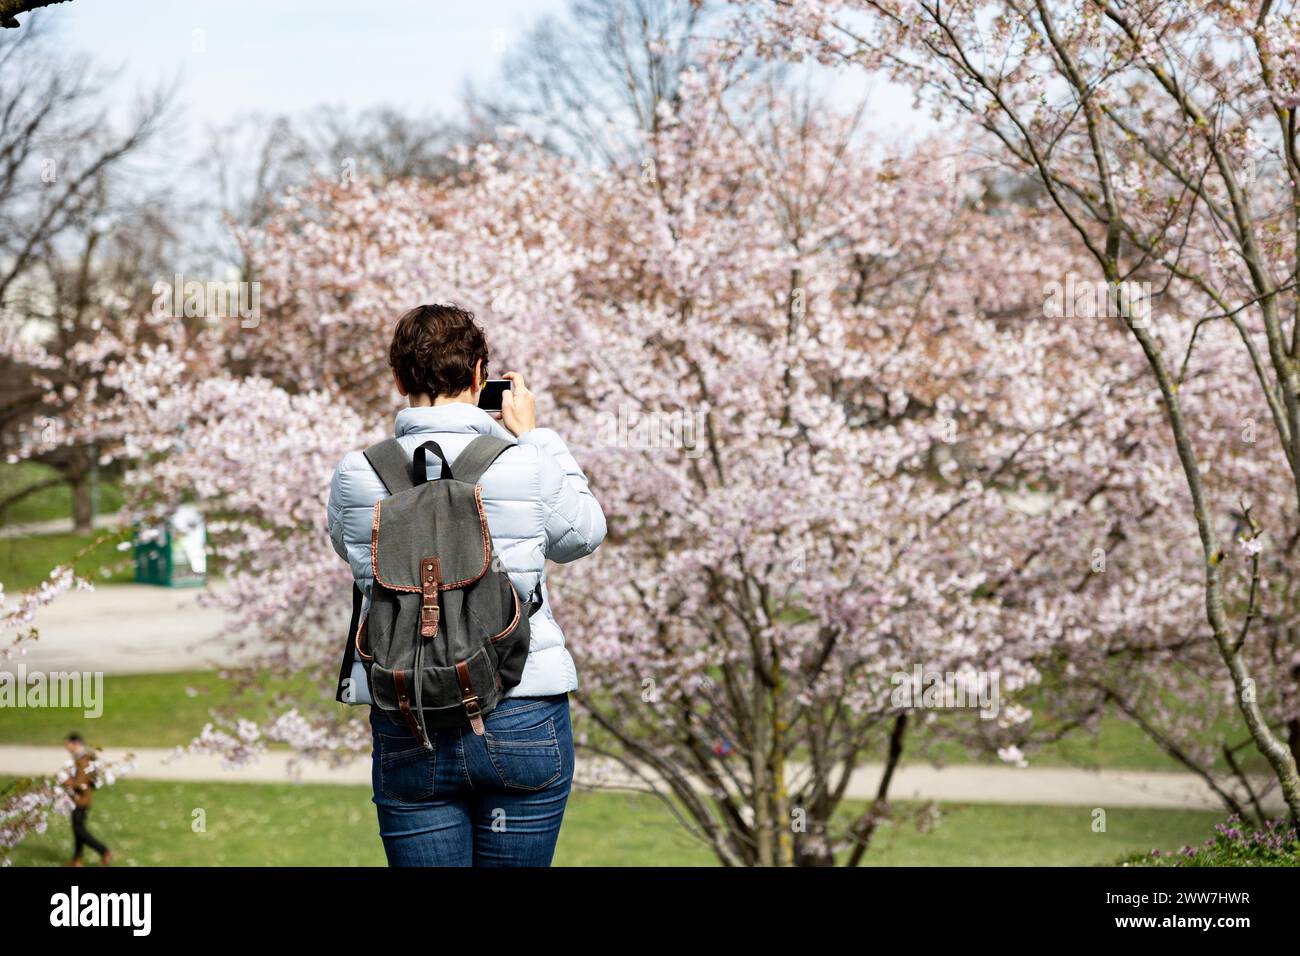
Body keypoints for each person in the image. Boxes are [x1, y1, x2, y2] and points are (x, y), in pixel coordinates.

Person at [327, 303, 606, 867]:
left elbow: (354, 555)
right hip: (519, 706)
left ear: (400, 378)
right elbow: (583, 534)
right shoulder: (523, 463)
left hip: (410, 712)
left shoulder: (358, 472)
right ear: (481, 374)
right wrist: (538, 436)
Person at [62, 733, 111, 867]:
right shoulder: (84, 758)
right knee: (78, 830)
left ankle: (103, 850)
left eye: (68, 744)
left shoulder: (83, 759)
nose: (67, 747)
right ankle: (77, 860)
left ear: (76, 743)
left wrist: (65, 781)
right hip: (80, 799)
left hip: (80, 800)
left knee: (79, 830)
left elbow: (80, 783)